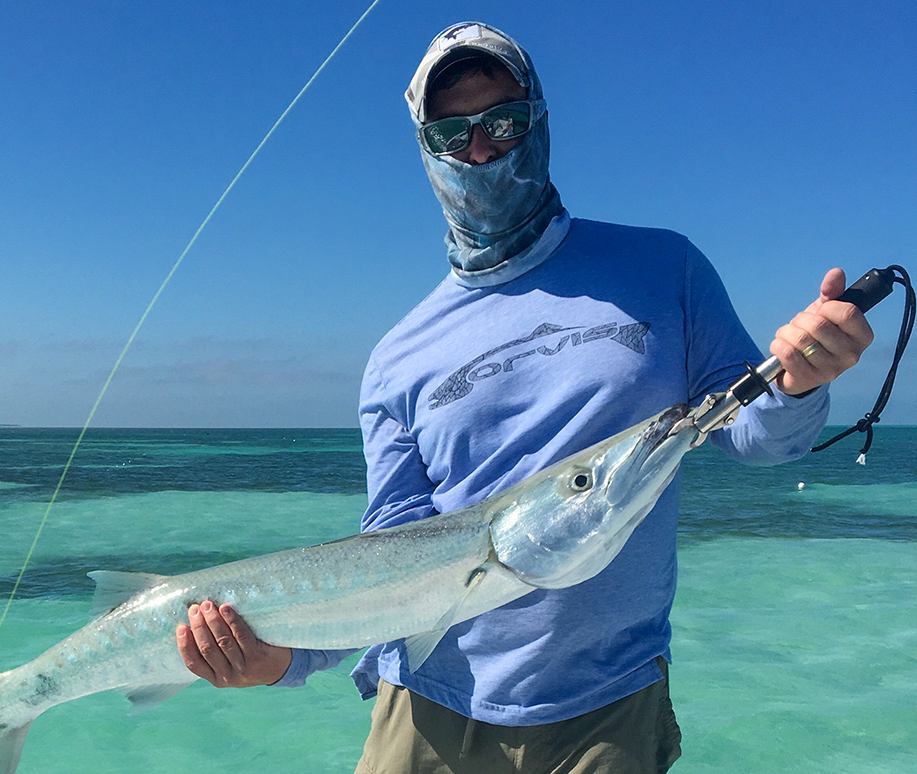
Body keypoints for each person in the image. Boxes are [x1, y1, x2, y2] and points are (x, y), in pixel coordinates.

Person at [175, 21, 874, 774]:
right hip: (425, 709)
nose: (481, 150)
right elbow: (391, 558)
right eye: (451, 133)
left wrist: (799, 382)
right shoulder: (395, 358)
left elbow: (755, 435)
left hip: (607, 707)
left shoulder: (664, 268)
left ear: (539, 123)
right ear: (426, 150)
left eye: (502, 123)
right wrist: (280, 661)